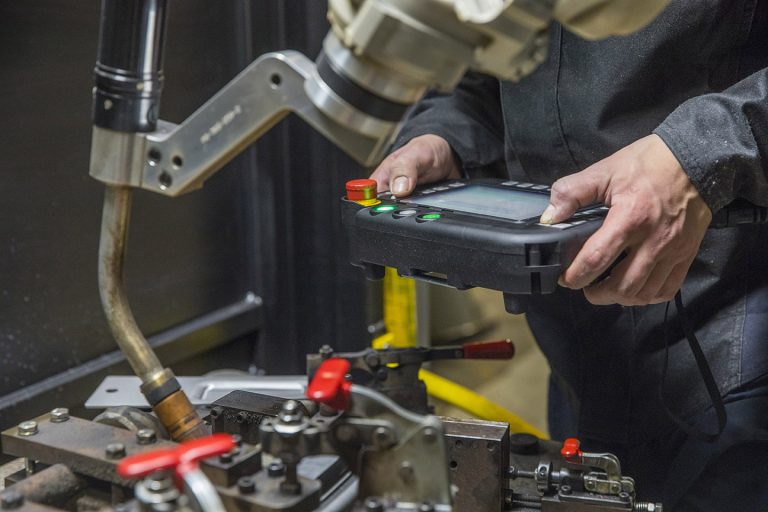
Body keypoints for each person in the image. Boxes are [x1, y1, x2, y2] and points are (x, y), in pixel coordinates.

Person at [369, 1, 768, 510]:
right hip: (576, 345)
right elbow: (488, 73)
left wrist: (702, 154)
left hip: (732, 337)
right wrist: (445, 133)